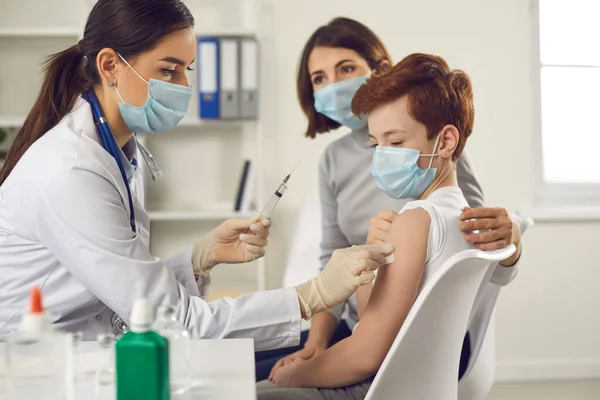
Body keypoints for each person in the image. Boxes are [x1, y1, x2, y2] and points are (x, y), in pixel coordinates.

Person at [0, 0, 395, 348]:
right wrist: (312, 295)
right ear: (110, 67)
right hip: (34, 363)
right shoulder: (71, 172)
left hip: (81, 347)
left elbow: (127, 291)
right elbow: (173, 320)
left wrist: (197, 259)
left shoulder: (117, 150)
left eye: (187, 69)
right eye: (170, 71)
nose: (186, 86)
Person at [254, 17, 524, 381]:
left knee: (253, 381)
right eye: (319, 78)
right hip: (360, 323)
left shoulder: (436, 154)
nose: (333, 86)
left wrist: (512, 242)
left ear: (380, 70)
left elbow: (477, 254)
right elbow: (333, 261)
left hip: (415, 338)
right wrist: (317, 341)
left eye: (345, 68)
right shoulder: (332, 161)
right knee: (245, 367)